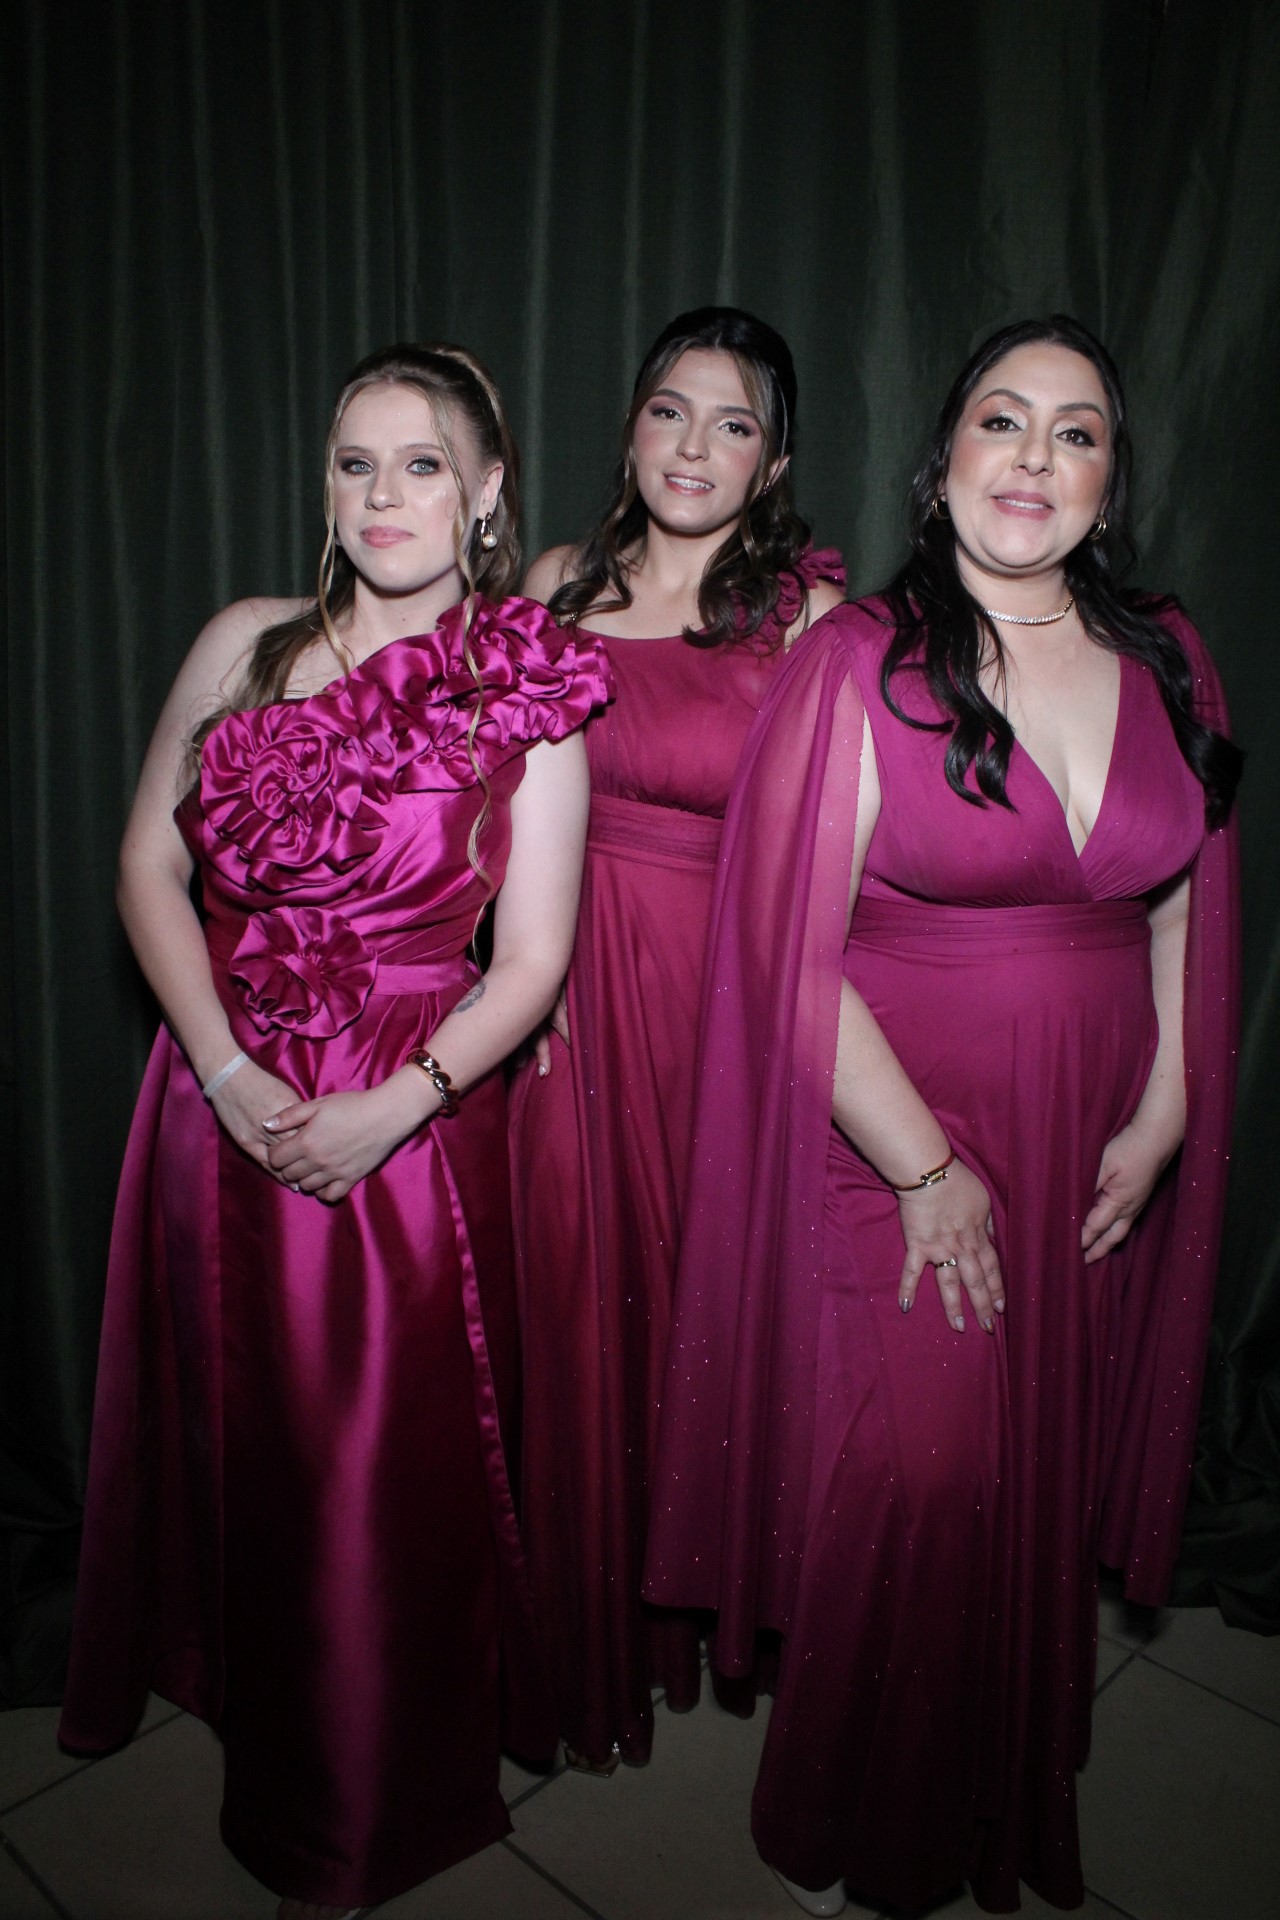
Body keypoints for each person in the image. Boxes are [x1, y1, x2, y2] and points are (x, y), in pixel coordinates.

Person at [645, 316, 1241, 1915]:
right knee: (923, 1478)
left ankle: (990, 1783)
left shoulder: (1168, 653)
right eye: (1002, 420)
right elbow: (786, 949)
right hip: (898, 1127)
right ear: (944, 462)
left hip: (1090, 1136)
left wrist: (1173, 1099)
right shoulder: (861, 661)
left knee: (1022, 1485)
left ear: (1110, 483)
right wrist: (923, 1169)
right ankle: (852, 1811)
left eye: (1076, 432)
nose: (1034, 456)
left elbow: (1185, 896)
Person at [58, 344, 612, 1919]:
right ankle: (252, 1709)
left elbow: (535, 961)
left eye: (421, 463)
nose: (382, 496)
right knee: (240, 1449)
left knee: (370, 1476)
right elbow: (146, 869)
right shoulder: (244, 642)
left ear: (488, 491)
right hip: (213, 1101)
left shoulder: (528, 684)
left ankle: (358, 1807)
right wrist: (225, 1071)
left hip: (407, 1116)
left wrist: (394, 1109)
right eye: (354, 463)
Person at [507, 307, 845, 1772]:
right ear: (632, 424)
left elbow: (837, 858)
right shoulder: (552, 588)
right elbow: (482, 809)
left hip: (727, 1006)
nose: (694, 446)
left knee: (705, 1305)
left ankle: (700, 1606)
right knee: (575, 1310)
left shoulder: (809, 621)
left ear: (775, 463)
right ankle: (581, 1643)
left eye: (734, 422)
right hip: (560, 1000)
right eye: (669, 410)